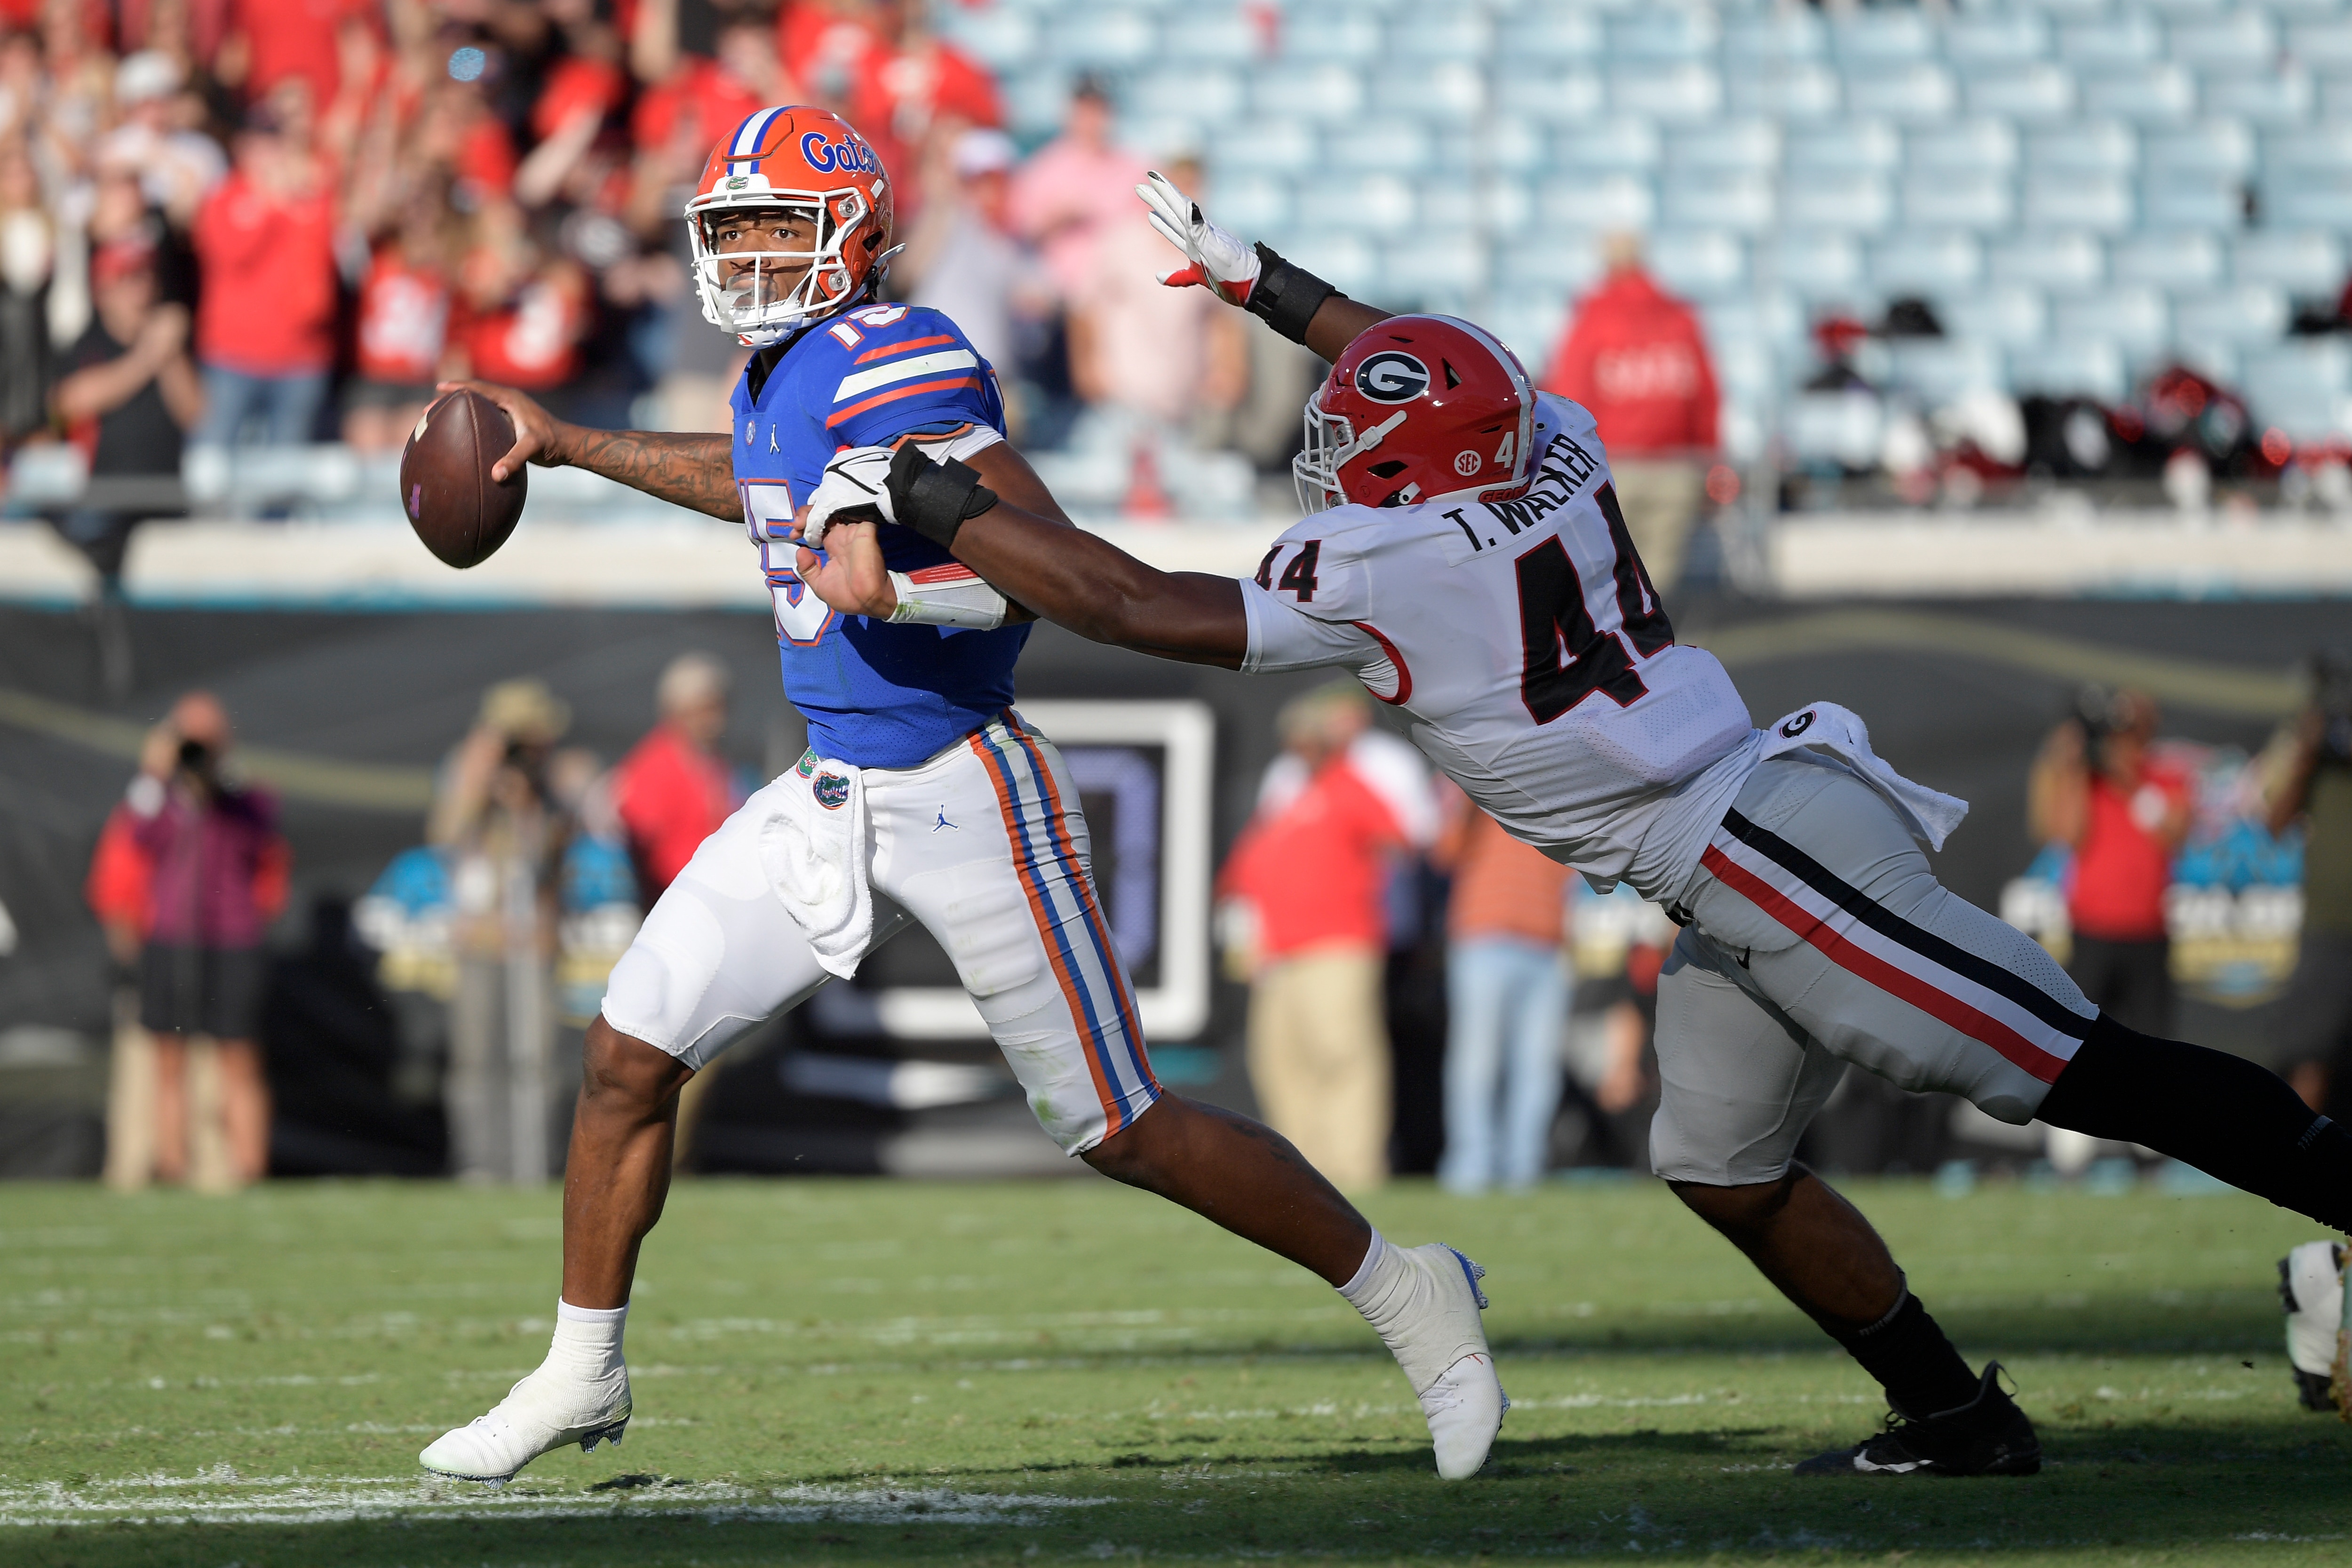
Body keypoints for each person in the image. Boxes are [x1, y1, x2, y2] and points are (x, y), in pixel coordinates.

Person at [796, 171, 2352, 1480]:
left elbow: (1128, 601)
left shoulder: (1397, 564)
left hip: (1763, 848)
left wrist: (934, 498)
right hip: (1731, 842)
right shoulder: (1556, 440)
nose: (1336, 456)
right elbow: (1422, 358)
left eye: (1359, 447)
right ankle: (1954, 1413)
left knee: (2072, 1066)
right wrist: (1261, 282)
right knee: (1723, 1165)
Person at [420, 106, 1504, 1488]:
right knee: (629, 1052)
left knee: (1123, 1124)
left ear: (855, 234)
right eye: (730, 229)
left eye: (774, 226)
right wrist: (573, 443)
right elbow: (757, 482)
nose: (748, 256)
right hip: (826, 789)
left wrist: (910, 571)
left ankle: (1410, 1293)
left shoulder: (896, 353)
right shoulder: (779, 376)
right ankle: (581, 1368)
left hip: (959, 781)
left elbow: (1033, 557)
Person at [1217, 684, 1408, 1191]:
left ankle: (1355, 1168)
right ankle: (1306, 1173)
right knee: (1280, 1059)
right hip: (1278, 952)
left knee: (1341, 1053)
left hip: (1338, 945)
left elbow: (1398, 841)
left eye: (1309, 737)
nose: (1299, 746)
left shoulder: (1350, 784)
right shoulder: (1284, 797)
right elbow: (1244, 872)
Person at [123, 691, 290, 1188]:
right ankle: (172, 1165)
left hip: (233, 939)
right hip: (173, 935)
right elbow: (138, 835)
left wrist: (219, 772)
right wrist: (158, 773)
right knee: (168, 1057)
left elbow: (261, 829)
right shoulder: (162, 798)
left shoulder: (244, 794)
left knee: (238, 1056)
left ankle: (248, 1167)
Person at [428, 678, 577, 1186]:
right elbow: (445, 835)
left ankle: (535, 1159)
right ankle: (479, 1163)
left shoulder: (548, 784)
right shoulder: (465, 771)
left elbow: (549, 856)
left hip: (531, 938)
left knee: (536, 1059)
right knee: (475, 1059)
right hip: (480, 937)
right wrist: (479, 775)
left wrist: (528, 802)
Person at [1538, 231, 1720, 594]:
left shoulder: (1594, 315)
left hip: (1609, 465)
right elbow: (1705, 395)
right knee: (1657, 583)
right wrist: (1708, 458)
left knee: (1605, 580)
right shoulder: (1680, 316)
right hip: (1675, 465)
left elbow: (1570, 394)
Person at [2026, 687, 2192, 1039]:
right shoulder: (2089, 779)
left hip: (2149, 934)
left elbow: (2175, 831)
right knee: (2082, 1040)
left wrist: (2126, 777)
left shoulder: (2164, 775)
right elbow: (2065, 836)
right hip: (2093, 933)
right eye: (2120, 727)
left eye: (2135, 726)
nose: (2125, 739)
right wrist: (2067, 764)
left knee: (2153, 1043)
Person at [1433, 794, 1572, 1194]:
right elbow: (1444, 851)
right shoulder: (1468, 772)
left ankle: (1524, 1170)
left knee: (1538, 1065)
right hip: (1483, 938)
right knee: (1476, 1061)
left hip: (1549, 941)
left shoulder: (1557, 781)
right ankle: (1471, 1169)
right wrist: (1465, 794)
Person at [49, 237, 205, 579]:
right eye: (128, 279)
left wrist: (170, 354)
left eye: (145, 277)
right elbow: (71, 402)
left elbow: (196, 414)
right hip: (104, 501)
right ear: (103, 291)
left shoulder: (171, 349)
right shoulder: (88, 344)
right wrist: (148, 356)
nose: (140, 289)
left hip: (167, 498)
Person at [190, 92, 338, 451]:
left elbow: (326, 270)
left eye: (276, 142)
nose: (270, 154)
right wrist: (271, 204)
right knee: (213, 457)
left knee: (284, 472)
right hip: (231, 356)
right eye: (260, 144)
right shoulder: (223, 197)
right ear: (242, 148)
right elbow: (229, 254)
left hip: (301, 358)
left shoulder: (316, 198)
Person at [2270, 651, 2352, 1114]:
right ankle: (2301, 1163)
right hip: (2330, 927)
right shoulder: (2320, 763)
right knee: (2311, 1052)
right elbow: (2275, 821)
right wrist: (2305, 752)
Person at [612, 651, 741, 901]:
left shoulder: (713, 762)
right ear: (679, 710)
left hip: (712, 895)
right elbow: (641, 843)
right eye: (707, 708)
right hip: (677, 900)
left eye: (720, 706)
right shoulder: (654, 766)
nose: (717, 719)